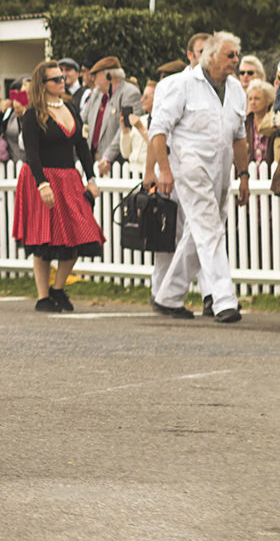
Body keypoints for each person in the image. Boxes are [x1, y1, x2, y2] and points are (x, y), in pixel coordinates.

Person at [148, 32, 248, 323]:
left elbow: (239, 138)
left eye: (236, 55)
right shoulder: (181, 85)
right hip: (190, 167)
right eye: (230, 55)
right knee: (209, 229)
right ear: (212, 56)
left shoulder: (237, 90)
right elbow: (158, 130)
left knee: (201, 231)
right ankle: (224, 300)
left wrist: (243, 176)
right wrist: (164, 170)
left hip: (222, 169)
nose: (235, 61)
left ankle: (168, 296)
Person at [13, 60, 103, 312]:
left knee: (79, 233)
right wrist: (42, 184)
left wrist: (91, 178)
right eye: (56, 79)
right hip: (40, 179)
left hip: (69, 178)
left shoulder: (71, 108)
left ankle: (58, 289)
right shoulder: (33, 113)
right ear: (43, 85)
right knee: (43, 239)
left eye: (62, 77)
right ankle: (43, 297)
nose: (62, 82)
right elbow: (31, 153)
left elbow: (82, 148)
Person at [80, 56, 142, 176]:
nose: (92, 79)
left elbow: (125, 129)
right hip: (93, 161)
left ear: (109, 76)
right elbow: (82, 119)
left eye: (96, 75)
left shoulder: (130, 93)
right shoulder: (97, 93)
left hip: (117, 165)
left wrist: (107, 157)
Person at [244, 81, 275, 167]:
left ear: (268, 101)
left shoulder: (274, 122)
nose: (252, 102)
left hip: (271, 173)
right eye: (250, 99)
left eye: (257, 98)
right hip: (251, 174)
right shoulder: (245, 124)